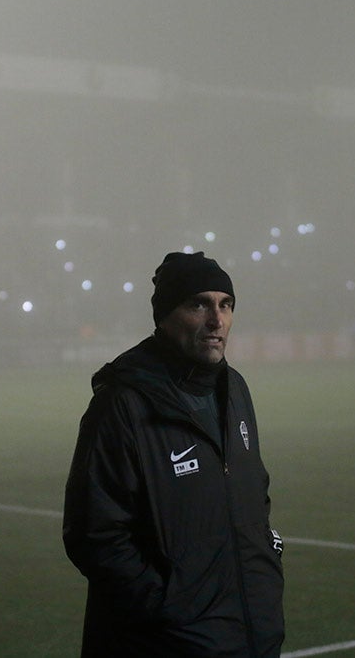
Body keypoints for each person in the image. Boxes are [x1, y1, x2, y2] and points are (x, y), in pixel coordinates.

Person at [64, 251, 285, 657]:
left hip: (250, 635)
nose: (217, 320)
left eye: (226, 304)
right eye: (198, 304)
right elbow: (95, 535)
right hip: (168, 642)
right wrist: (169, 607)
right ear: (165, 315)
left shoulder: (235, 389)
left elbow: (255, 492)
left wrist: (267, 561)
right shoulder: (123, 404)